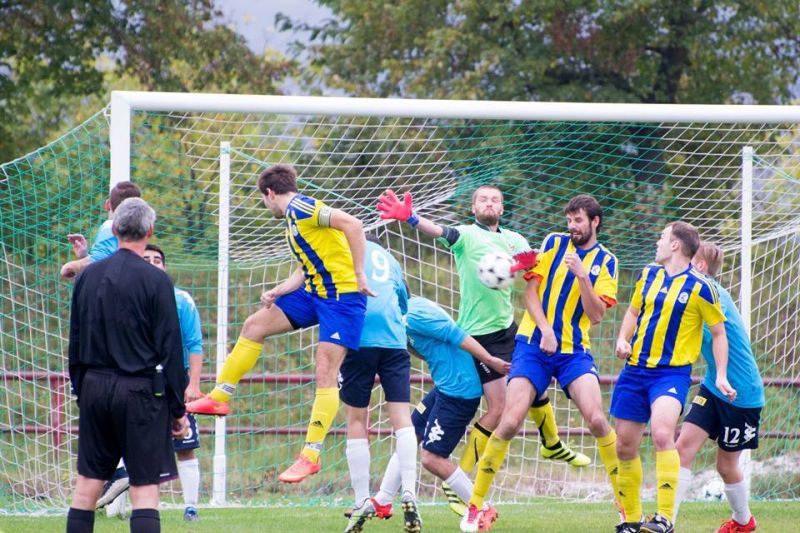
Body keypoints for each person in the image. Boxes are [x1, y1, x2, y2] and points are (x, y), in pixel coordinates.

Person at [377, 186, 586, 507]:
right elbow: (438, 230)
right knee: (499, 409)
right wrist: (411, 218)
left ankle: (552, 442)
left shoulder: (516, 240)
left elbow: (534, 275)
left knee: (534, 380)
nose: (489, 203)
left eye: (495, 200)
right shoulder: (465, 236)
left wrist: (527, 267)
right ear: (473, 208)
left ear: (502, 208)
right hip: (479, 334)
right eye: (482, 200)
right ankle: (457, 477)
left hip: (508, 329)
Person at [187, 164, 375, 484]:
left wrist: (359, 274)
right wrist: (280, 290)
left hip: (342, 298)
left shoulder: (302, 206)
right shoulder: (293, 221)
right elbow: (307, 266)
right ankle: (220, 396)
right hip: (313, 292)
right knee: (254, 326)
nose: (266, 205)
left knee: (325, 372)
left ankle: (310, 455)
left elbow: (354, 224)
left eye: (264, 200)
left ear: (270, 194)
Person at [461, 195, 620, 532]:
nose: (572, 226)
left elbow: (596, 315)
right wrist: (546, 329)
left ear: (595, 222)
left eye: (579, 221)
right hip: (533, 345)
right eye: (569, 220)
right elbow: (530, 294)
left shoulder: (606, 261)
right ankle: (474, 508)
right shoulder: (552, 243)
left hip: (574, 351)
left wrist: (582, 277)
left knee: (596, 419)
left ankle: (624, 506)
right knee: (509, 421)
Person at [66, 198, 188, 533]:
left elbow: (74, 342)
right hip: (141, 392)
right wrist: (177, 409)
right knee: (145, 488)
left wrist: (82, 389)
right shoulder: (157, 280)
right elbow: (170, 349)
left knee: (87, 485)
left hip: (94, 387)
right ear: (149, 231)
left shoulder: (86, 277)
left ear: (115, 229)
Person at [612, 222, 737, 533]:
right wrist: (622, 339)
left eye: (662, 237)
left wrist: (720, 374)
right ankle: (630, 520)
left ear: (676, 246)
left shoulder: (702, 287)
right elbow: (632, 312)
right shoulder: (647, 275)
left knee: (663, 433)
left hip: (671, 374)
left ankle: (665, 518)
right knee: (625, 445)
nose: (658, 241)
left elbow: (719, 334)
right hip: (635, 371)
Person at [371, 296, 510, 532]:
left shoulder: (418, 314)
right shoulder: (399, 319)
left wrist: (489, 360)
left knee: (432, 459)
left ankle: (481, 507)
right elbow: (422, 348)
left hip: (458, 392)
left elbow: (458, 335)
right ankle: (383, 501)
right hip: (445, 387)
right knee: (409, 435)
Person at [673, 242, 763, 533]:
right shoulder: (689, 292)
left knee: (725, 466)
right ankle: (666, 521)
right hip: (713, 386)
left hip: (742, 394)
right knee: (681, 449)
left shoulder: (714, 295)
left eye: (687, 258)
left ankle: (743, 521)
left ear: (699, 267)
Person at [341, 234, 419, 533]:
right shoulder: (391, 260)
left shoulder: (346, 252)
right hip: (395, 341)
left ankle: (362, 500)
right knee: (402, 418)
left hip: (360, 338)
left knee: (357, 418)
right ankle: (409, 491)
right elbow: (404, 302)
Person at [142, 244, 205, 522]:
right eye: (147, 259)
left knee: (185, 444)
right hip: (139, 380)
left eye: (158, 260)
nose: (153, 263)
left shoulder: (181, 300)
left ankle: (190, 507)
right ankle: (128, 506)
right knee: (136, 444)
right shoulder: (128, 298)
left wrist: (193, 384)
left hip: (174, 380)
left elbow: (194, 343)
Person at [60, 181, 141, 280]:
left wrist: (70, 266)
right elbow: (105, 264)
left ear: (107, 204)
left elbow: (97, 262)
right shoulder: (138, 230)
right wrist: (85, 255)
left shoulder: (111, 226)